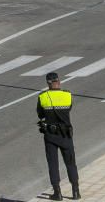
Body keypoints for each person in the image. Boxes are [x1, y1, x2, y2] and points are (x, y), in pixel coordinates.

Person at [37, 72, 79, 200]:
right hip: (66, 135)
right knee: (71, 162)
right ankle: (76, 191)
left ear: (48, 83)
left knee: (53, 164)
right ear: (59, 82)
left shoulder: (43, 97)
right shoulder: (67, 95)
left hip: (50, 135)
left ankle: (57, 193)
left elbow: (40, 114)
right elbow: (69, 108)